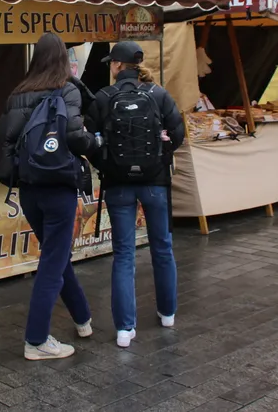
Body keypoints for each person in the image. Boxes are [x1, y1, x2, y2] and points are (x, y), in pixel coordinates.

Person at [0, 33, 95, 360]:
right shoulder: (66, 90)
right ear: (63, 60)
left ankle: (82, 319)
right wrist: (95, 144)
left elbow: (5, 141)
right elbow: (75, 137)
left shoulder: (16, 94)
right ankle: (36, 341)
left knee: (56, 255)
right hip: (59, 187)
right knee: (52, 262)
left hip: (29, 189)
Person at [88, 41, 185, 348]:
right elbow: (178, 132)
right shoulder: (158, 94)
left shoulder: (103, 97)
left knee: (124, 254)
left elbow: (89, 139)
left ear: (117, 65)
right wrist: (161, 155)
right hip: (155, 182)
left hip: (117, 184)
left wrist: (105, 162)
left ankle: (124, 330)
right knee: (162, 247)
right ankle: (167, 313)